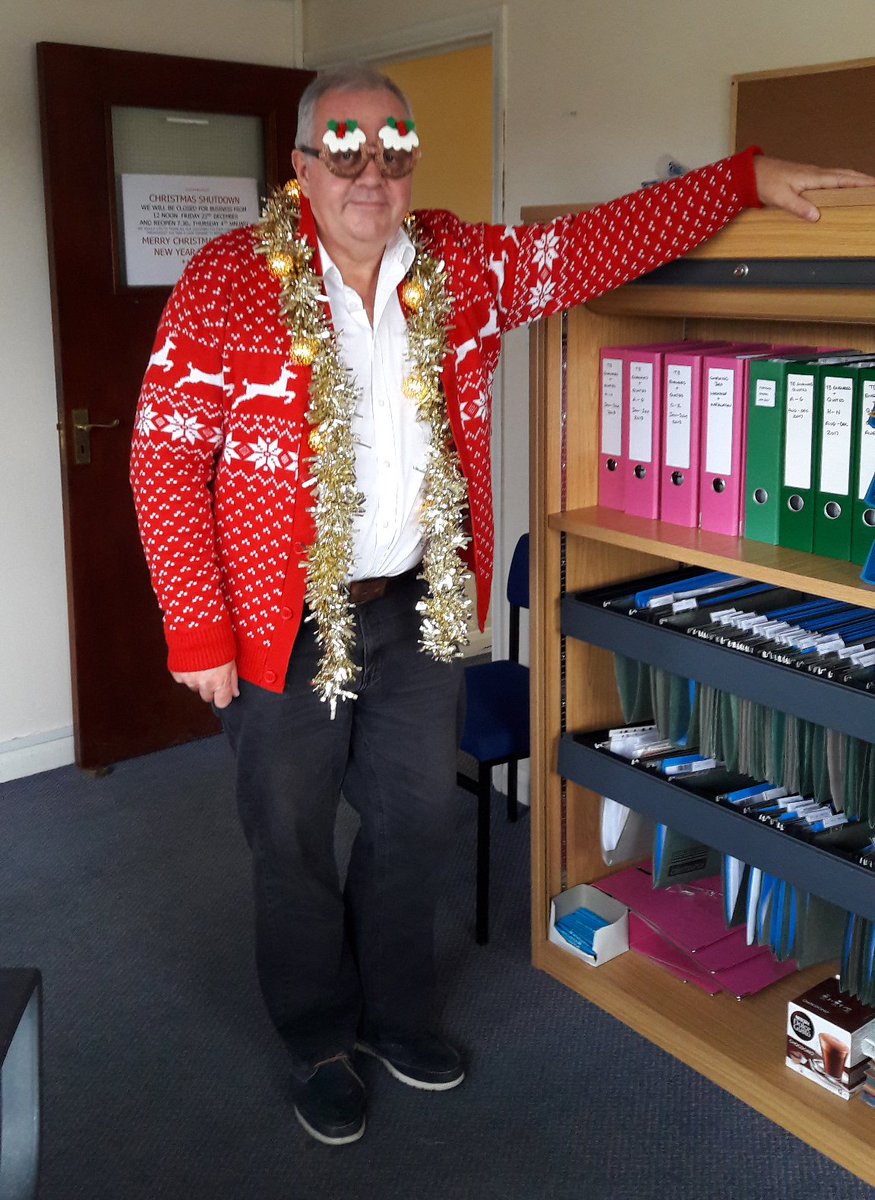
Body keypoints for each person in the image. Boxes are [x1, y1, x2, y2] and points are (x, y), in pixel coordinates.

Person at [129, 61, 875, 1146]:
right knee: (289, 840)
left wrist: (742, 178)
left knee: (415, 822)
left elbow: (596, 243)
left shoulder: (461, 265)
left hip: (417, 606)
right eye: (344, 147)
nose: (371, 170)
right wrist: (194, 628)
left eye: (393, 146)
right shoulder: (229, 280)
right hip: (275, 617)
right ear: (300, 165)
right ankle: (316, 1036)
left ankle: (395, 1014)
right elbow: (163, 459)